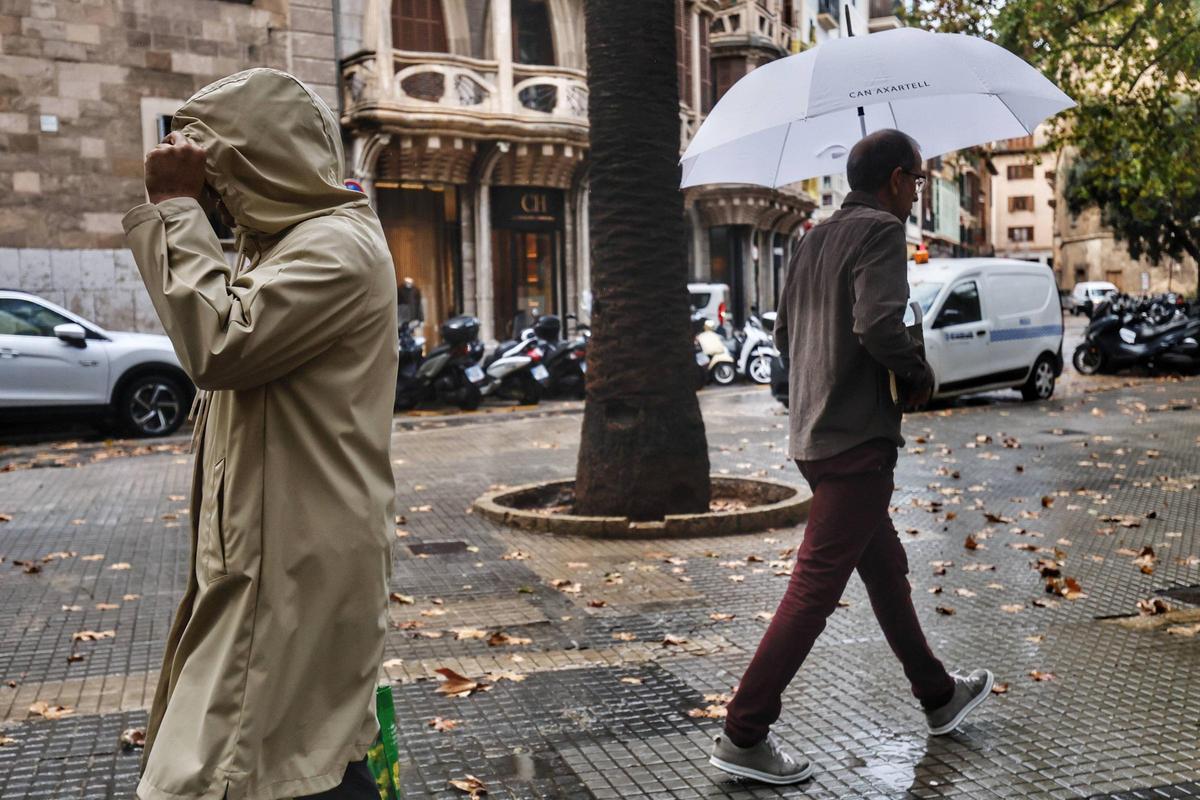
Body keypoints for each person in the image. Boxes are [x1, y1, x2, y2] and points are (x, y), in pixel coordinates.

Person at [122, 69, 397, 800]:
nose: (212, 195)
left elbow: (218, 345)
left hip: (294, 565)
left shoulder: (336, 247)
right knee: (289, 758)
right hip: (268, 556)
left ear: (258, 162)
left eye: (218, 174)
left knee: (245, 767)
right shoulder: (282, 245)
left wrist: (177, 209)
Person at [708, 129, 993, 785]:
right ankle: (743, 734)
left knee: (885, 565)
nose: (918, 193)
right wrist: (915, 371)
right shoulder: (880, 234)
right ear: (896, 178)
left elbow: (783, 334)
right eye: (918, 180)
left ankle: (938, 695)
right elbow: (876, 324)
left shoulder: (811, 239)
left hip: (812, 433)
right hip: (856, 439)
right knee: (814, 587)